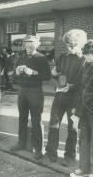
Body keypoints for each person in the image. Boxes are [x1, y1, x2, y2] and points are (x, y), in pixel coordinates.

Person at [43, 29, 87, 166]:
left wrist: (71, 86)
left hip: (75, 99)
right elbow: (57, 73)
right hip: (60, 96)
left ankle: (69, 157)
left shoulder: (85, 59)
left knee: (72, 129)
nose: (70, 47)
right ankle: (51, 154)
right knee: (53, 125)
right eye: (68, 44)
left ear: (81, 44)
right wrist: (55, 74)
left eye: (73, 45)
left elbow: (85, 83)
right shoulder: (62, 56)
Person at [10, 35, 51, 160]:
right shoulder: (21, 57)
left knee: (36, 120)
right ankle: (21, 143)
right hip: (22, 91)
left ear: (37, 44)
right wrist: (16, 73)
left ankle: (38, 149)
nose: (28, 45)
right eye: (26, 43)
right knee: (22, 118)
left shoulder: (42, 58)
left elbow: (47, 76)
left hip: (35, 91)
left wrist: (32, 72)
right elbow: (14, 78)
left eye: (31, 43)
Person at [70, 40, 93, 177]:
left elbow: (88, 93)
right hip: (84, 109)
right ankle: (84, 169)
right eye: (87, 54)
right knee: (84, 139)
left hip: (90, 109)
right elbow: (80, 89)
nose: (88, 56)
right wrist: (75, 108)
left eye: (91, 54)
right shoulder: (86, 66)